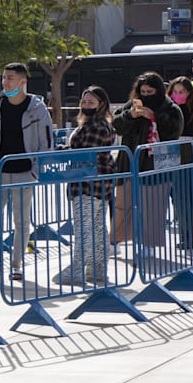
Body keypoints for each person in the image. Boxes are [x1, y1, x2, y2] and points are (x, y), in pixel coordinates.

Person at [0, 63, 54, 283]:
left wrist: (36, 171)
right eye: (3, 78)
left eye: (10, 78)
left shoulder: (37, 109)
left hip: (24, 173)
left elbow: (46, 142)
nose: (5, 82)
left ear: (23, 81)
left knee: (21, 222)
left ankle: (16, 264)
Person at [112, 73, 183, 250]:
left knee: (152, 207)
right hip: (129, 164)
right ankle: (116, 239)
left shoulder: (170, 108)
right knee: (122, 204)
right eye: (142, 91)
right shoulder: (132, 105)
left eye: (149, 91)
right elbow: (116, 124)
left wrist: (154, 117)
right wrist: (131, 116)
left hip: (154, 166)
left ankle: (149, 244)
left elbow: (174, 130)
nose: (145, 95)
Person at [55, 86, 115, 286]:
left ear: (101, 104)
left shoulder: (96, 127)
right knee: (97, 228)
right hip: (98, 184)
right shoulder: (97, 124)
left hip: (88, 184)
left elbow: (85, 154)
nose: (86, 105)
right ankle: (97, 269)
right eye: (84, 102)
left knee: (84, 228)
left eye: (91, 102)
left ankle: (77, 268)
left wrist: (62, 153)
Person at [166, 76, 193, 248]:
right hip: (173, 153)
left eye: (182, 91)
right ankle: (185, 235)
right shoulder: (167, 109)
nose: (178, 94)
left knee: (192, 195)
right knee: (178, 197)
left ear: (189, 92)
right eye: (175, 91)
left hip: (190, 152)